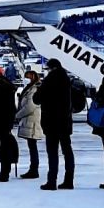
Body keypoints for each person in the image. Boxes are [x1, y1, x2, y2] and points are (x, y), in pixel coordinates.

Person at [36, 59, 75, 190]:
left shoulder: (49, 81)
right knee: (67, 151)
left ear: (51, 68)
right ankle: (69, 180)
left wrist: (40, 88)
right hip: (65, 121)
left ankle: (52, 180)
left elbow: (37, 99)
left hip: (51, 121)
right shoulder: (66, 80)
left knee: (52, 152)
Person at [14, 68, 44, 178]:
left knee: (32, 146)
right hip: (29, 120)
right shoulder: (29, 88)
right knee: (31, 145)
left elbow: (30, 106)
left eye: (27, 77)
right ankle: (33, 169)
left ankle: (34, 169)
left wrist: (17, 115)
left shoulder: (35, 89)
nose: (25, 79)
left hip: (32, 119)